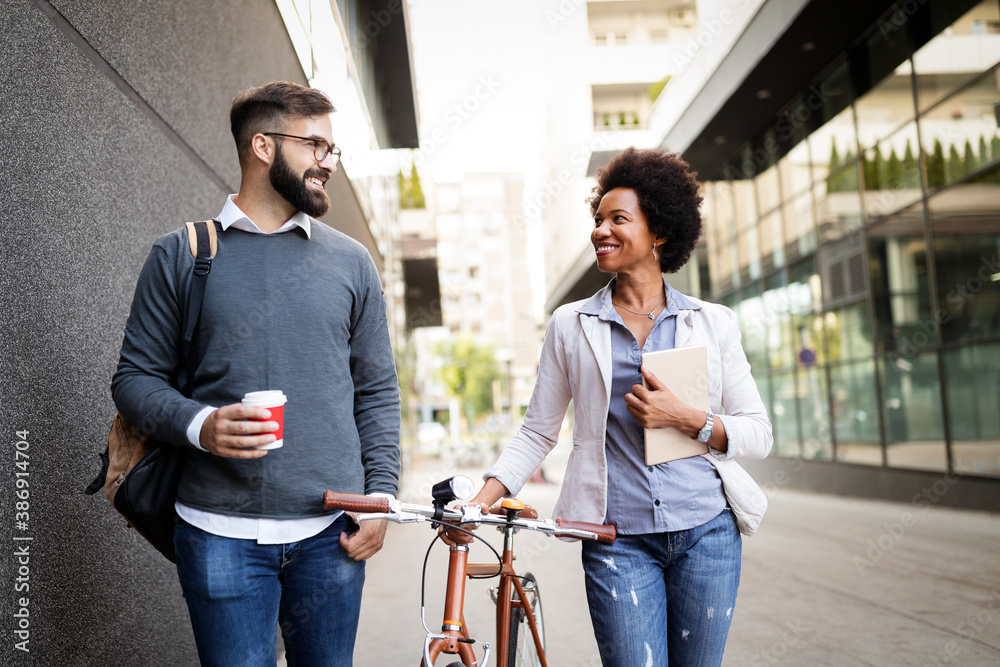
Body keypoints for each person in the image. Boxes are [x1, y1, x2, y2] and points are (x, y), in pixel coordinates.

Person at [112, 81, 400, 666]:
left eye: (333, 150)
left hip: (332, 535)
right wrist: (202, 426)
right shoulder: (182, 254)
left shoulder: (352, 262)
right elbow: (134, 380)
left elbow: (376, 390)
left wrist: (382, 496)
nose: (328, 162)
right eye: (315, 145)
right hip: (217, 534)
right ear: (263, 146)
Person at [451, 147, 772, 666]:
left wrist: (685, 418)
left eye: (618, 219)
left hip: (708, 535)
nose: (601, 230)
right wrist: (480, 501)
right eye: (598, 219)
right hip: (617, 541)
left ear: (660, 232)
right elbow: (537, 432)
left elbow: (757, 432)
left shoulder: (713, 323)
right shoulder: (571, 325)